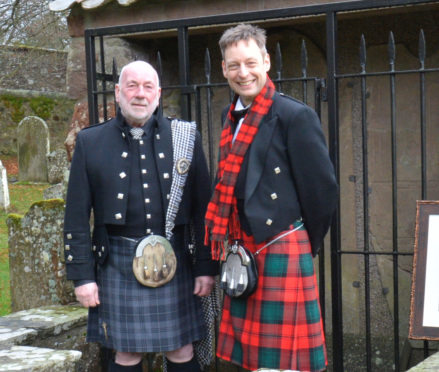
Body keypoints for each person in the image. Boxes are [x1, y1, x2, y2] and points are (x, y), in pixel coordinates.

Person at [63, 60, 218, 372]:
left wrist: (206, 266)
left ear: (158, 94)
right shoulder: (91, 142)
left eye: (148, 87)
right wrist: (82, 277)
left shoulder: (184, 137)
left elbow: (205, 210)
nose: (140, 94)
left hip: (176, 260)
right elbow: (76, 216)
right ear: (119, 93)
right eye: (132, 86)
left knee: (182, 348)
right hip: (117, 263)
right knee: (126, 354)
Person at [206, 24, 338, 372]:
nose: (243, 72)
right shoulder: (229, 115)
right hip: (242, 247)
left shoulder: (294, 115)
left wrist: (301, 240)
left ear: (266, 62)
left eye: (250, 62)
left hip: (280, 243)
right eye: (233, 65)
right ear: (224, 69)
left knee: (282, 365)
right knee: (253, 361)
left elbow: (322, 191)